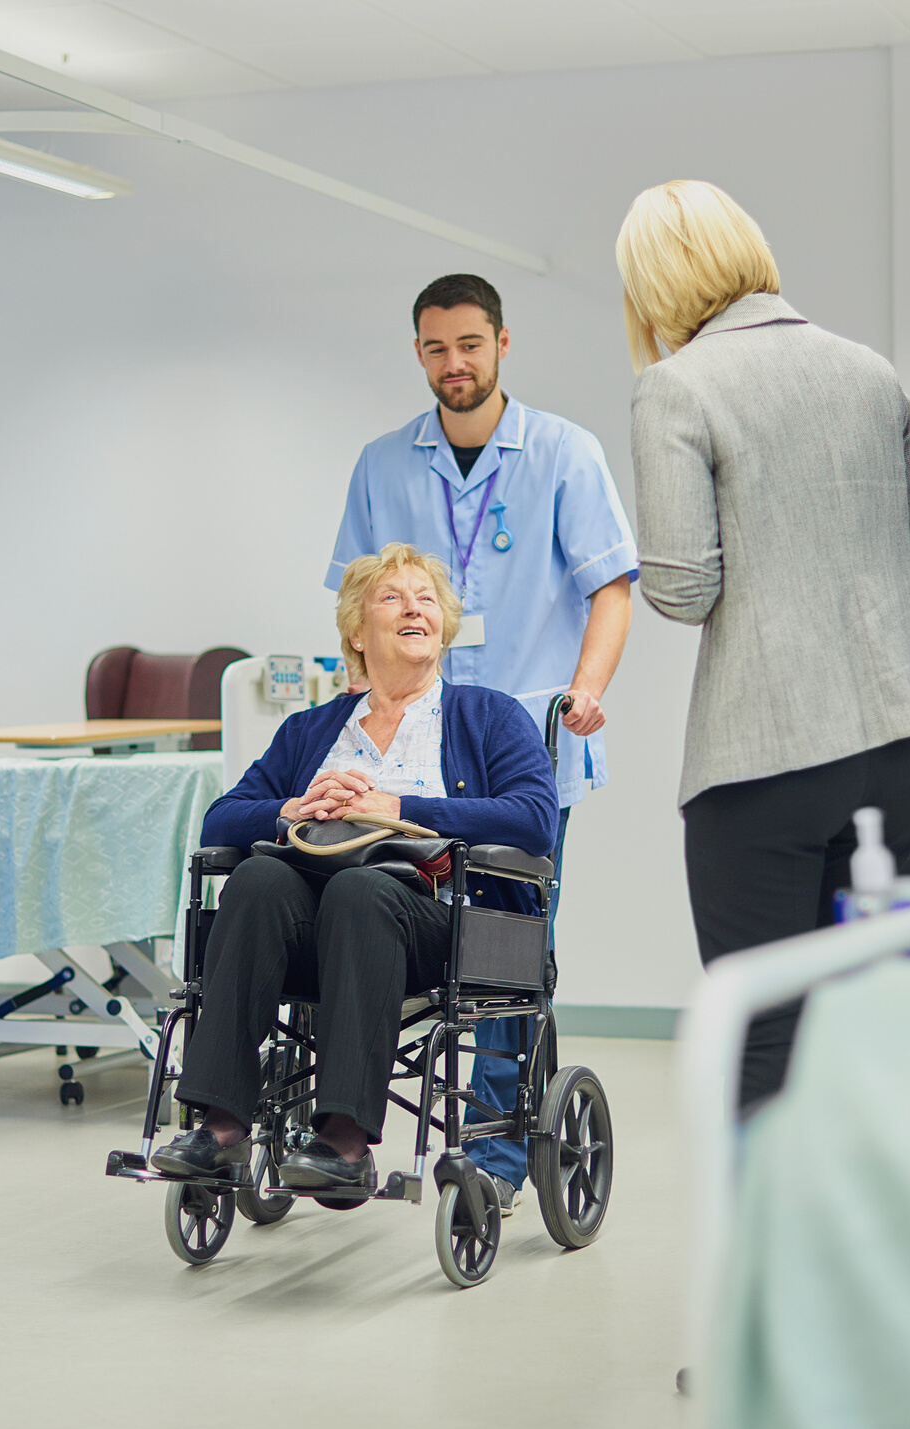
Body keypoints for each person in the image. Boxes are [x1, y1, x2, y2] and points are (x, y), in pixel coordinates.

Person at [617, 180, 910, 1110]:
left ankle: (768, 1252)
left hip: (765, 758)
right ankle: (852, 1236)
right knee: (858, 1013)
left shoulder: (675, 387)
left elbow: (683, 589)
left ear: (653, 285)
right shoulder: (868, 369)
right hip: (897, 752)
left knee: (761, 1028)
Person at [325, 273, 635, 1209]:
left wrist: (587, 689)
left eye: (469, 344)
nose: (453, 364)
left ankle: (498, 1150)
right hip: (408, 752)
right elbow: (351, 608)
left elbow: (611, 588)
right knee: (386, 921)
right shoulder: (383, 463)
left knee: (501, 949)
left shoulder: (564, 454)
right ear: (418, 354)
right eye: (434, 349)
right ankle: (341, 1113)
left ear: (503, 344)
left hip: (519, 749)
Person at [153, 543, 557, 1197]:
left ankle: (344, 1140)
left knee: (361, 889)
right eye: (392, 598)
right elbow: (221, 821)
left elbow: (535, 818)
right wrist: (292, 810)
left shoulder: (487, 715)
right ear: (356, 632)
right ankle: (222, 1127)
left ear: (445, 625)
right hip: (314, 931)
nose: (414, 608)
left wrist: (397, 808)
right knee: (257, 879)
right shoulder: (312, 730)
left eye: (426, 598)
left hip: (434, 925)